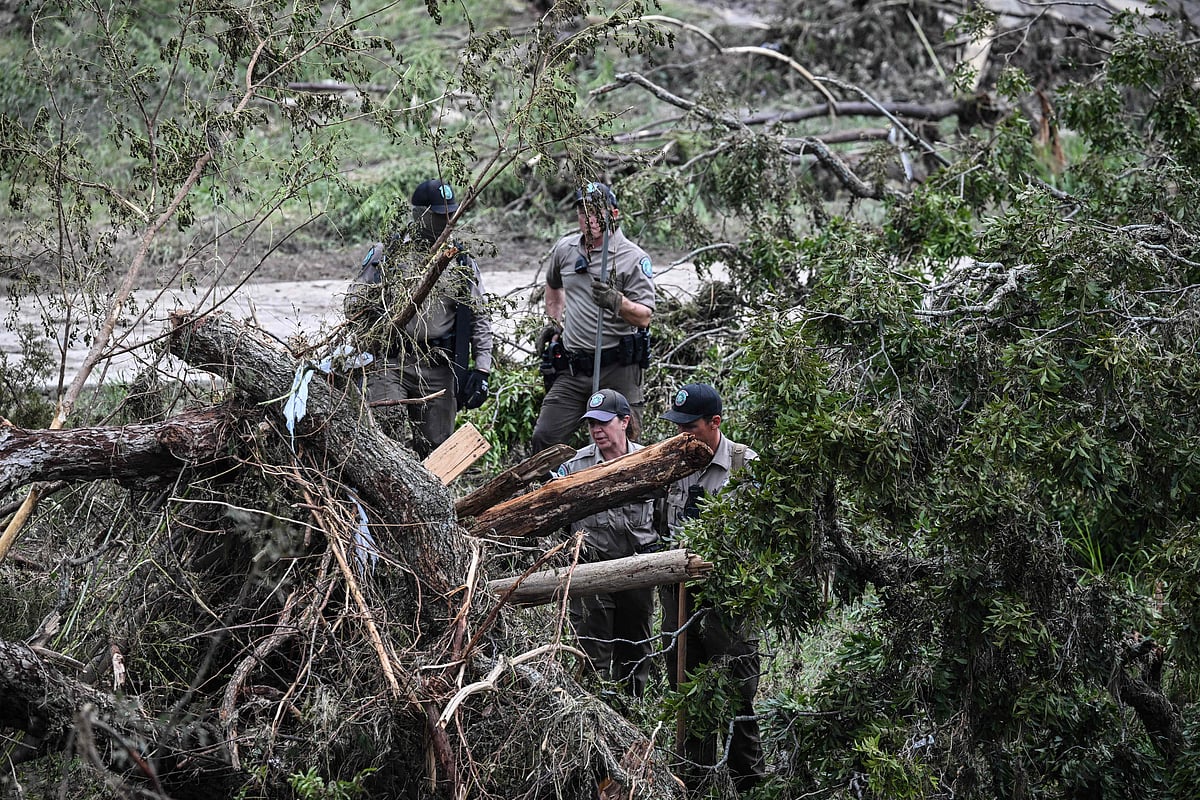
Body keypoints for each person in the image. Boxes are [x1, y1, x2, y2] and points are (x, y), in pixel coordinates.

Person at [658, 383, 765, 794]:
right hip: (677, 594)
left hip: (727, 599)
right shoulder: (670, 463)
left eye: (691, 426)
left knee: (738, 690)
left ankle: (748, 783)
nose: (683, 434)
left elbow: (761, 537)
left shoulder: (744, 464)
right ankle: (694, 781)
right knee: (686, 688)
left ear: (715, 423)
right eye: (678, 426)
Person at [345, 178, 493, 458]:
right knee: (387, 439)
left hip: (440, 367)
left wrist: (482, 370)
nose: (446, 222)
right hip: (391, 361)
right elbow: (353, 304)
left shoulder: (460, 260)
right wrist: (365, 343)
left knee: (439, 451)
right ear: (420, 215)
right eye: (439, 215)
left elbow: (480, 317)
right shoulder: (388, 253)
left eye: (451, 214)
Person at [530, 182, 655, 452]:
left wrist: (617, 302)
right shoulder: (565, 249)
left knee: (625, 445)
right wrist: (554, 323)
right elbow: (553, 285)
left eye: (598, 212)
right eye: (584, 212)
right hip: (574, 368)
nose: (591, 219)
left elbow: (645, 317)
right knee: (544, 438)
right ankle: (558, 492)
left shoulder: (632, 258)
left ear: (615, 213)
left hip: (617, 368)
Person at [555, 388, 660, 696]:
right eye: (591, 424)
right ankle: (595, 724)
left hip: (637, 570)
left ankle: (632, 717)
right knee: (592, 658)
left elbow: (665, 514)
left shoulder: (650, 460)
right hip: (592, 570)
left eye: (603, 422)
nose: (596, 430)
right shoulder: (575, 466)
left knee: (635, 654)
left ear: (624, 422)